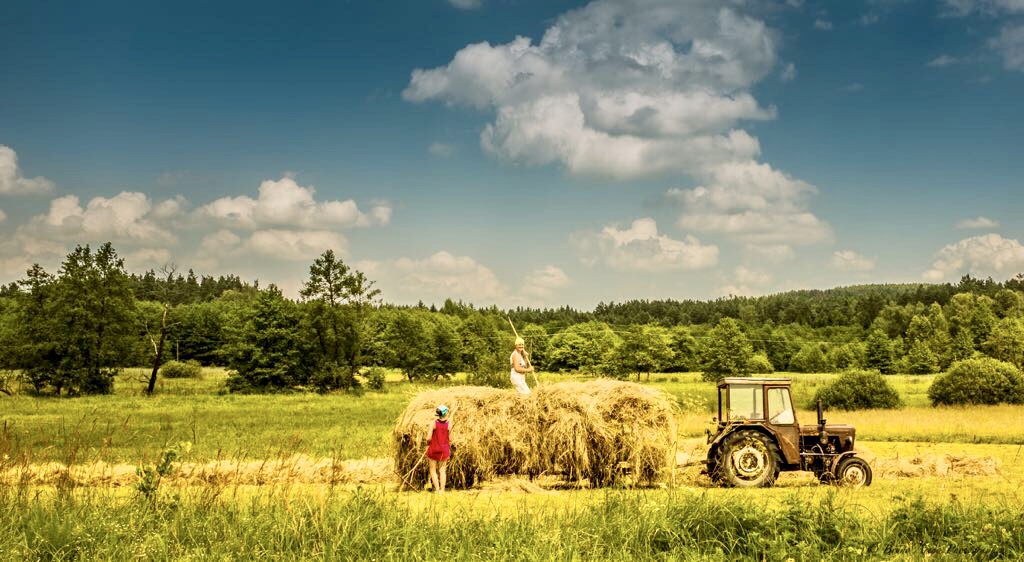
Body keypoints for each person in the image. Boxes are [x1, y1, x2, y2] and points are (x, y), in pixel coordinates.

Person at [425, 404, 451, 493]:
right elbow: (451, 438)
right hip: (444, 450)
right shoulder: (449, 424)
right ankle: (442, 490)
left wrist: (428, 443)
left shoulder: (433, 423)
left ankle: (437, 489)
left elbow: (428, 438)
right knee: (442, 470)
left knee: (433, 470)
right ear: (445, 413)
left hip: (433, 449)